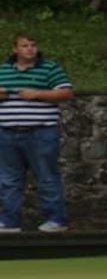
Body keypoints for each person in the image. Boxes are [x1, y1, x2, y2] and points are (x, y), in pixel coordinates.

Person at [0, 33, 74, 233]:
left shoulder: (50, 68)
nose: (30, 49)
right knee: (8, 179)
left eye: (33, 45)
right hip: (7, 133)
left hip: (40, 132)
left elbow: (66, 92)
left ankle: (56, 220)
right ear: (15, 49)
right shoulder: (3, 70)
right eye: (25, 46)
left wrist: (38, 94)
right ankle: (9, 221)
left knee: (47, 177)